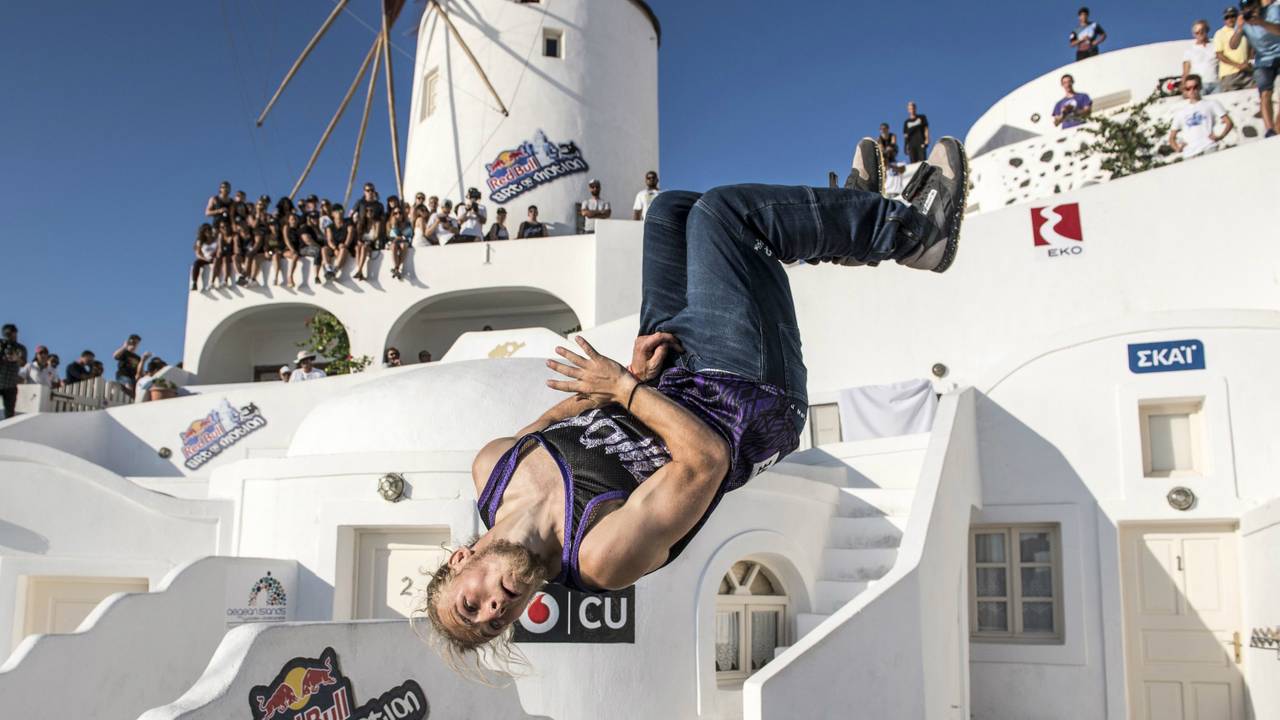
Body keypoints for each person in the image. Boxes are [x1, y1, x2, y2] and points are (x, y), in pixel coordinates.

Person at [421, 137, 971, 669]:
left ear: (460, 561)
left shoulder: (493, 467)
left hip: (664, 378)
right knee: (723, 216)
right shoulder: (598, 558)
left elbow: (557, 421)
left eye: (472, 606)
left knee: (672, 211)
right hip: (745, 400)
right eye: (495, 624)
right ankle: (914, 235)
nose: (495, 610)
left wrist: (629, 378)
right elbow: (707, 461)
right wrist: (624, 390)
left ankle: (850, 216)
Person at [1231, 0, 1280, 137]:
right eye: (1246, 8)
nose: (1250, 10)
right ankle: (1269, 130)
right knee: (1265, 93)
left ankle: (1278, 126)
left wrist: (1261, 22)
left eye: (1252, 6)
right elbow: (1233, 45)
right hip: (1263, 60)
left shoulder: (1272, 11)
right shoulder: (1242, 20)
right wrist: (1239, 29)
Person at [1169, 74, 1234, 159]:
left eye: (1195, 87)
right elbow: (1172, 137)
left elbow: (1229, 122)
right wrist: (1178, 148)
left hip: (1209, 147)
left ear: (1200, 87)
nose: (1192, 90)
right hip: (1190, 152)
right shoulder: (1180, 112)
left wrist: (1220, 136)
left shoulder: (1212, 104)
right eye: (1188, 88)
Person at [1216, 6, 1255, 92]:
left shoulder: (1245, 30)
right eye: (1227, 17)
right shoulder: (1220, 33)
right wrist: (1238, 65)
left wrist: (1248, 63)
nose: (1230, 19)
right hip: (1229, 75)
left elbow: (1251, 50)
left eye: (1233, 16)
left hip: (1247, 73)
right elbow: (1219, 55)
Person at [1184, 20, 1221, 93]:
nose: (1200, 34)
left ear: (1207, 30)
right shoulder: (1189, 51)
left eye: (1202, 31)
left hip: (1216, 84)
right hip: (1199, 86)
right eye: (1197, 33)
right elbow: (1186, 72)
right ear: (1193, 34)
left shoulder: (1216, 46)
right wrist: (1184, 88)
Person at [0, 324, 27, 419]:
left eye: (12, 333)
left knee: (9, 414)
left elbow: (23, 363)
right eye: (7, 334)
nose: (10, 336)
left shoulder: (20, 348)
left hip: (10, 385)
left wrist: (16, 358)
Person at [353, 204, 383, 282]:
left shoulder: (377, 223)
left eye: (371, 211)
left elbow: (376, 236)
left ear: (374, 212)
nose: (369, 212)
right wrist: (359, 241)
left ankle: (359, 270)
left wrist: (368, 242)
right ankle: (360, 271)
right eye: (367, 211)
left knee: (364, 247)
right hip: (362, 243)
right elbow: (358, 236)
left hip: (372, 244)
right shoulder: (361, 223)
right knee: (357, 248)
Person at [325, 205, 356, 282]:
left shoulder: (348, 222)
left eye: (341, 210)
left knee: (343, 249)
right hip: (334, 247)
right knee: (324, 249)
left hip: (345, 246)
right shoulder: (330, 226)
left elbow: (350, 233)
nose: (339, 212)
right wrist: (335, 248)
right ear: (332, 214)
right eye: (336, 211)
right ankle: (328, 269)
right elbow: (330, 240)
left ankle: (335, 270)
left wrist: (345, 245)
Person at [192, 224, 219, 291]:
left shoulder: (216, 239)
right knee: (196, 263)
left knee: (216, 260)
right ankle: (194, 283)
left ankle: (212, 282)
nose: (208, 232)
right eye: (206, 231)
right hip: (205, 259)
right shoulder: (200, 242)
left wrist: (214, 254)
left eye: (209, 230)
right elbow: (198, 254)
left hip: (215, 258)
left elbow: (219, 249)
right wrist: (205, 259)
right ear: (203, 232)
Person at [387, 206, 412, 280]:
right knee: (394, 245)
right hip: (394, 242)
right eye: (395, 213)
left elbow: (409, 234)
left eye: (400, 213)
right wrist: (394, 225)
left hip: (404, 241)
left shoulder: (407, 223)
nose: (398, 215)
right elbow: (391, 236)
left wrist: (400, 237)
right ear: (393, 215)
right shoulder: (389, 224)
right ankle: (397, 268)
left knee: (404, 245)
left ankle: (396, 267)